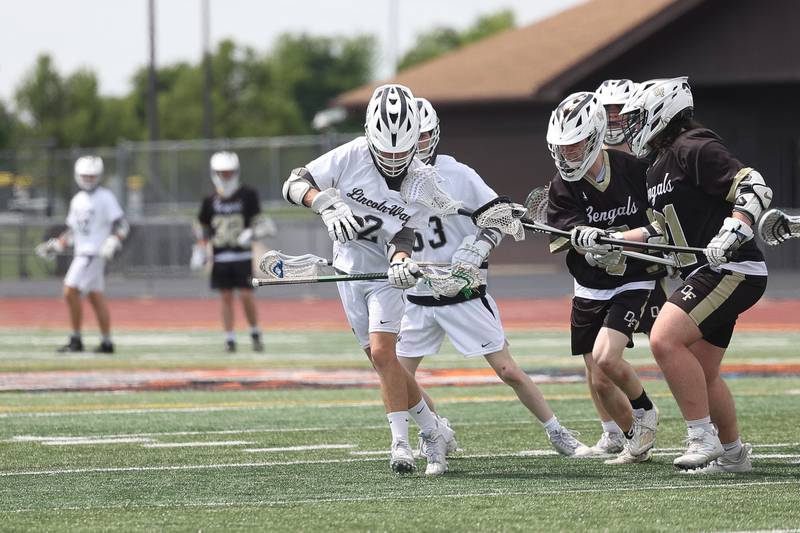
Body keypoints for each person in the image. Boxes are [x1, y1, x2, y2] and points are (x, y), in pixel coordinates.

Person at [278, 84, 454, 475]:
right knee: (382, 362)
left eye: (401, 151)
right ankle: (433, 428)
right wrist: (322, 202)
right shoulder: (352, 154)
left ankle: (401, 443)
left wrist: (402, 260)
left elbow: (405, 237)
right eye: (385, 150)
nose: (393, 159)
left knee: (382, 353)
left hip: (386, 275)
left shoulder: (423, 180)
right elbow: (292, 184)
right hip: (347, 270)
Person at [396, 97, 587, 457]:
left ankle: (557, 431)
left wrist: (476, 251)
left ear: (434, 134)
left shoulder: (458, 175)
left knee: (507, 370)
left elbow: (500, 218)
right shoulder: (390, 179)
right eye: (409, 136)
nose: (415, 143)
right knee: (395, 375)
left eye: (421, 135)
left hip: (463, 292)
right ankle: (435, 430)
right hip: (419, 295)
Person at [612, 77, 772, 472]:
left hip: (730, 267)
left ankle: (702, 437)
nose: (630, 127)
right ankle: (735, 455)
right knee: (702, 371)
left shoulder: (693, 146)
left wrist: (734, 227)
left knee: (664, 338)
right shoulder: (656, 167)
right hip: (707, 272)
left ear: (661, 112)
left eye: (636, 117)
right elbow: (662, 232)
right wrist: (613, 239)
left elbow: (755, 187)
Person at [545, 91, 663, 464]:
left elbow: (660, 223)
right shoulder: (561, 186)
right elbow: (567, 237)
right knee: (597, 379)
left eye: (575, 144)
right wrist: (584, 243)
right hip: (590, 286)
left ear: (595, 136)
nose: (568, 154)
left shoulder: (635, 169)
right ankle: (634, 438)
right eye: (562, 147)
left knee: (609, 359)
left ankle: (648, 412)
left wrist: (621, 239)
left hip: (634, 278)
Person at [36, 156, 129, 353]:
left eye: (92, 175)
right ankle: (107, 342)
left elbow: (122, 225)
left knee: (70, 291)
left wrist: (114, 240)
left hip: (92, 254)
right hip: (82, 252)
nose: (88, 179)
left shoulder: (105, 197)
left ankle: (76, 339)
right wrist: (56, 245)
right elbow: (73, 231)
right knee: (96, 298)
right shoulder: (77, 200)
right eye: (85, 175)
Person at [192, 151, 266, 353]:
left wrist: (251, 233)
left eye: (229, 173)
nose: (226, 177)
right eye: (222, 173)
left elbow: (262, 223)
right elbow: (202, 226)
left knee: (246, 294)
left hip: (242, 255)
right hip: (220, 255)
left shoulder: (247, 195)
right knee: (225, 296)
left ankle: (254, 332)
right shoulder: (210, 200)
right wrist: (199, 249)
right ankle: (229, 337)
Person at [595, 79, 637, 154]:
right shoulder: (592, 155)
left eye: (621, 106)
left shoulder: (649, 148)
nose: (612, 114)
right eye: (606, 107)